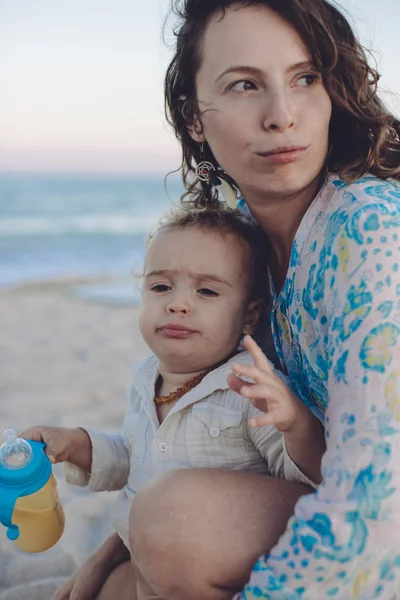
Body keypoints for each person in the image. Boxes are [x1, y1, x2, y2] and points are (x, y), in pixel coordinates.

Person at [117, 0, 399, 599]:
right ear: (194, 117)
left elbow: (379, 505)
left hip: (380, 522)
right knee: (125, 573)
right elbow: (208, 427)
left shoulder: (370, 230)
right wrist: (113, 553)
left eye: (305, 79)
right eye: (245, 85)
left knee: (174, 525)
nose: (282, 115)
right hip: (304, 488)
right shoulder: (240, 238)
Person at [22, 206, 325, 600]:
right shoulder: (147, 377)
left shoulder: (248, 384)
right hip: (148, 548)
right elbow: (138, 456)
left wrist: (296, 424)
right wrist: (79, 444)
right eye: (161, 287)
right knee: (106, 591)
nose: (178, 304)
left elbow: (308, 480)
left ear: (249, 317)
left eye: (207, 291)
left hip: (213, 551)